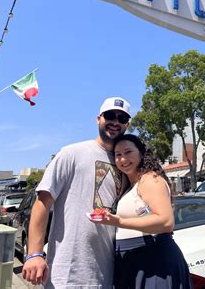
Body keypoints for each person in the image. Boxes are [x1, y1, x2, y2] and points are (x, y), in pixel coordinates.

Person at [22, 97, 132, 288]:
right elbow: (42, 202)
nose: (115, 122)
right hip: (68, 274)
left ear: (127, 125)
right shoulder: (72, 153)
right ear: (98, 119)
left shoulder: (125, 163)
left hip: (107, 274)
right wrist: (34, 254)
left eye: (122, 118)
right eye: (110, 116)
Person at [93, 134, 191, 289]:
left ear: (141, 153)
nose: (123, 159)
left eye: (128, 152)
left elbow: (166, 222)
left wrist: (118, 221)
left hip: (153, 260)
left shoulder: (150, 179)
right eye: (118, 155)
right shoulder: (131, 184)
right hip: (133, 261)